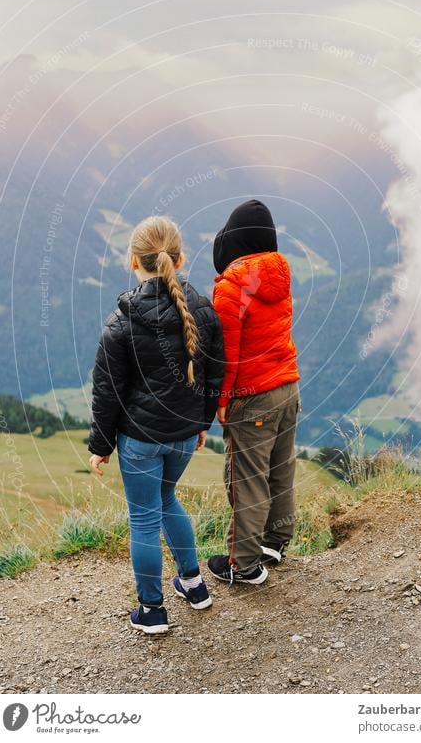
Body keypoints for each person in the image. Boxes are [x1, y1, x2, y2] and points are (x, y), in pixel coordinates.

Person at [88, 216, 224, 634]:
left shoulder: (121, 324)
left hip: (141, 441)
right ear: (180, 259)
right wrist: (201, 423)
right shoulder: (202, 311)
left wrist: (101, 444)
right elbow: (212, 373)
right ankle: (194, 584)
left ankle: (152, 611)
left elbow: (107, 392)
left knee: (145, 518)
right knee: (167, 501)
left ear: (134, 261)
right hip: (184, 435)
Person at [207, 200, 301, 585]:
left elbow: (226, 355)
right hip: (288, 386)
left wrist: (223, 400)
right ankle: (275, 541)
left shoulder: (231, 290)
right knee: (281, 469)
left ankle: (243, 564)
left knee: (247, 479)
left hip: (253, 396)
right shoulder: (280, 274)